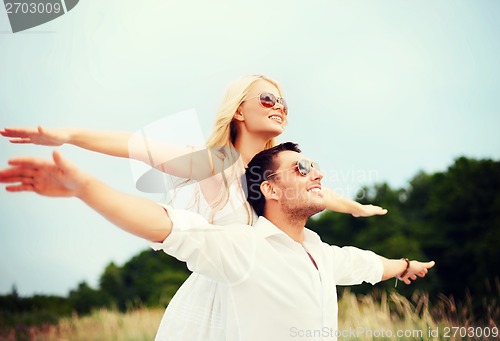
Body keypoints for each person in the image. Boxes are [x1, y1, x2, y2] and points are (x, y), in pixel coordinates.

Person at [0, 142, 435, 340]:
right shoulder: (242, 249)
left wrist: (404, 265)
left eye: (316, 165)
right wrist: (85, 188)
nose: (317, 173)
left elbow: (366, 265)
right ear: (272, 190)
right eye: (302, 169)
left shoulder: (321, 253)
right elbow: (164, 224)